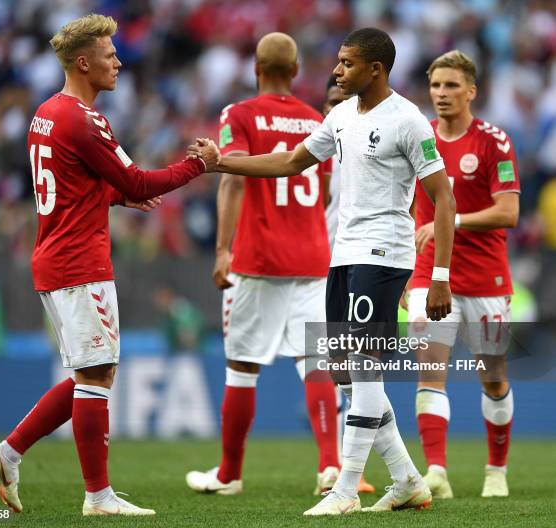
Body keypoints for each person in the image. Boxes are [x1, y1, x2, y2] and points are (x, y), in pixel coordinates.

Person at [189, 27, 456, 515]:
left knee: (363, 370)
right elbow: (291, 162)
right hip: (341, 256)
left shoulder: (408, 121)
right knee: (345, 378)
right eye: (338, 61)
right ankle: (406, 479)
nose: (336, 71)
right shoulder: (338, 116)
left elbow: (443, 196)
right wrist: (220, 164)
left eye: (347, 63)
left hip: (383, 255)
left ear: (375, 69)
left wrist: (438, 276)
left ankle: (345, 489)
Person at [0, 13, 219, 516]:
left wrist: (113, 197)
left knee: (96, 372)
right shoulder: (85, 119)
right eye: (110, 56)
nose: (119, 62)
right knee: (95, 375)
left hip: (56, 256)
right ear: (84, 62)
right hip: (77, 261)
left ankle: (9, 452)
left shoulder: (46, 113)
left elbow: (74, 185)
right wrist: (201, 164)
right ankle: (98, 497)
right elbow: (139, 183)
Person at [185, 32, 341, 497]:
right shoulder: (317, 118)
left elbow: (231, 178)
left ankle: (230, 473)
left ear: (255, 69)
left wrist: (221, 249)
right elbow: (327, 190)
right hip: (313, 257)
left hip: (258, 259)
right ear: (295, 72)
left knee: (242, 367)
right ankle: (329, 466)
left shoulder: (241, 114)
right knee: (315, 365)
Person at [403, 50, 520, 499]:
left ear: (471, 91)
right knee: (430, 370)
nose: (442, 94)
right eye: (436, 86)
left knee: (493, 376)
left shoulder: (494, 142)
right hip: (428, 275)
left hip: (486, 278)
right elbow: (408, 207)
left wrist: (449, 222)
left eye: (451, 86)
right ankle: (437, 471)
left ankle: (496, 471)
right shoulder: (419, 138)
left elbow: (508, 211)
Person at [322, 74, 375, 495]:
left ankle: (346, 473)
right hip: (327, 262)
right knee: (340, 367)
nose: (334, 109)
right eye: (329, 103)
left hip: (368, 260)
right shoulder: (324, 155)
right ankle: (340, 465)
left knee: (359, 364)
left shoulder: (367, 149)